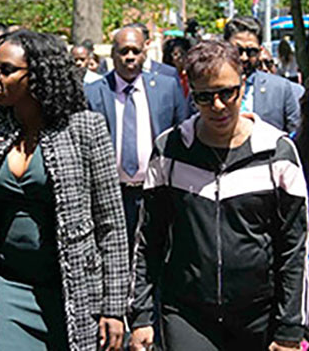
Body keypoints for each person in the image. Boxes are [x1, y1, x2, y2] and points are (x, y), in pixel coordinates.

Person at [0, 30, 128, 350]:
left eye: (6, 70)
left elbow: (111, 226)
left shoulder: (84, 129)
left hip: (72, 290)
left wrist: (114, 307)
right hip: (6, 286)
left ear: (38, 75)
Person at [130, 40, 308, 351]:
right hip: (187, 313)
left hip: (259, 316)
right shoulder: (170, 150)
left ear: (242, 86)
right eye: (204, 96)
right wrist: (141, 314)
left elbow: (294, 248)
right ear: (191, 94)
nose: (218, 106)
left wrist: (290, 327)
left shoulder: (277, 152)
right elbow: (149, 240)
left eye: (227, 92)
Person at [85, 26, 189, 246]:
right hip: (111, 194)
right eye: (123, 51)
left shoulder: (167, 88)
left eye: (135, 51)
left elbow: (183, 134)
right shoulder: (93, 92)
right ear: (113, 54)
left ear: (145, 53)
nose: (129, 57)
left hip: (156, 192)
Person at [223, 16, 300, 132]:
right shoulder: (206, 86)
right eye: (238, 50)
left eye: (251, 52)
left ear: (260, 51)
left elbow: (295, 135)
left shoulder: (281, 89)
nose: (244, 57)